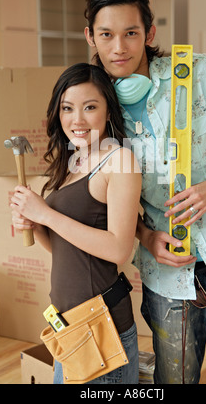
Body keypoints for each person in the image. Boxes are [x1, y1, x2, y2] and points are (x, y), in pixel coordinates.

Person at [84, 0, 206, 384]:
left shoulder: (201, 74)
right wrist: (147, 237)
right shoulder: (94, 109)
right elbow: (99, 202)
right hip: (168, 276)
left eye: (131, 33)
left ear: (148, 32)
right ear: (90, 37)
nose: (119, 47)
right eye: (107, 34)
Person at [11, 63, 142, 384]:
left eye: (90, 107)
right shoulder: (71, 161)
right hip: (67, 325)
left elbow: (118, 249)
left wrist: (45, 214)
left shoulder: (120, 159)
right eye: (68, 108)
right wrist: (33, 221)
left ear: (108, 110)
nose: (77, 120)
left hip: (100, 327)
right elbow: (62, 248)